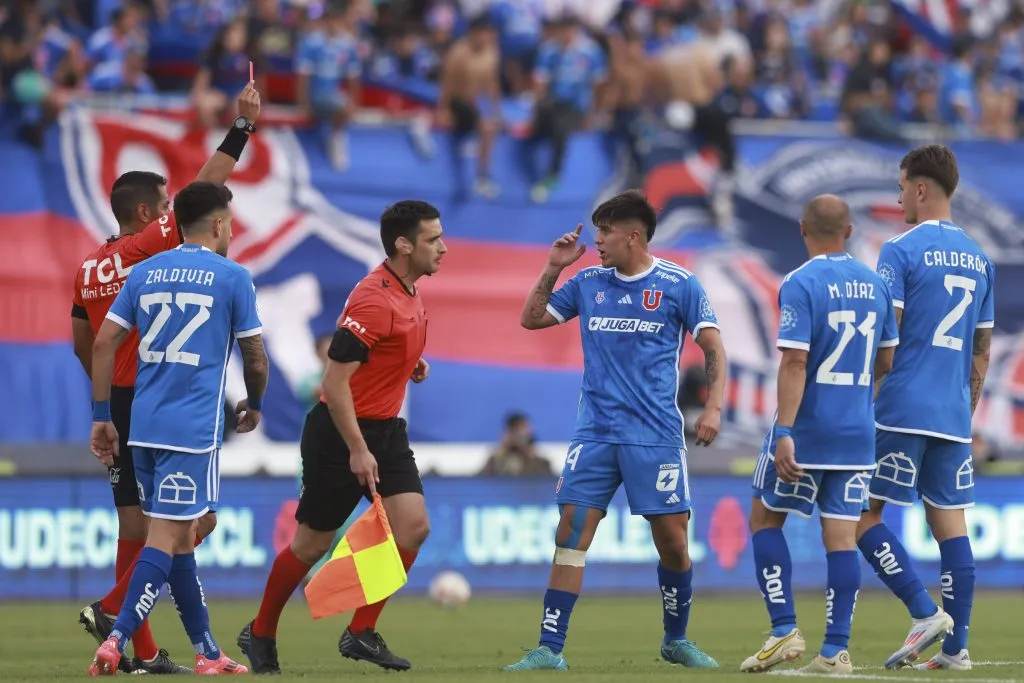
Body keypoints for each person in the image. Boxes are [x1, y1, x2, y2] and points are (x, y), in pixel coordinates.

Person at [72, 83, 261, 674]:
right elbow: (205, 189)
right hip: (164, 396)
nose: (167, 212)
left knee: (146, 525)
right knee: (181, 526)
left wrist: (103, 403)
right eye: (162, 206)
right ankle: (114, 617)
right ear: (149, 215)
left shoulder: (88, 266)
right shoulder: (145, 248)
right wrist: (242, 129)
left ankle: (154, 650)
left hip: (123, 400)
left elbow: (85, 341)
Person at [506, 190, 727, 671]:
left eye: (606, 232)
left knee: (672, 541)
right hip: (596, 434)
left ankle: (676, 639)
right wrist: (553, 267)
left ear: (633, 235)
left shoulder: (679, 283)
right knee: (572, 532)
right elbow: (531, 319)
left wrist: (713, 407)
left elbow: (713, 346)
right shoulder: (587, 282)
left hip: (655, 437)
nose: (598, 240)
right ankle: (549, 648)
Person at [237, 200, 447, 674]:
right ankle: (261, 631)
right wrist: (357, 449)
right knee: (310, 545)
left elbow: (381, 351)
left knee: (414, 528)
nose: (443, 247)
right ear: (403, 244)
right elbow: (334, 383)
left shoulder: (407, 289)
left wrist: (405, 364)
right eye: (433, 239)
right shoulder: (375, 299)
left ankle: (360, 633)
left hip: (386, 430)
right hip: (340, 433)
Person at [741, 195, 899, 675]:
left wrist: (785, 430)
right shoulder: (876, 284)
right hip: (856, 433)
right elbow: (887, 362)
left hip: (807, 429)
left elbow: (794, 361)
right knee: (842, 538)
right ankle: (835, 650)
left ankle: (784, 628)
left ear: (802, 227)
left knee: (765, 521)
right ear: (849, 231)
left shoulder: (800, 282)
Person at [856, 145, 995, 671]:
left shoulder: (899, 250)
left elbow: (883, 342)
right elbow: (981, 349)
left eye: (900, 186)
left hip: (900, 407)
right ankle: (957, 649)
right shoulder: (980, 257)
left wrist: (856, 397)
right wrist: (967, 406)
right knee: (951, 528)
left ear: (919, 188)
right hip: (953, 414)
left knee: (858, 517)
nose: (897, 196)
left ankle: (922, 611)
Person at [435, 15, 501, 199]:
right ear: (474, 33)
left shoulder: (492, 51)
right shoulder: (458, 52)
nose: (487, 38)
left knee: (491, 124)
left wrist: (496, 110)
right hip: (459, 102)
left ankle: (482, 172)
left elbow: (491, 82)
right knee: (486, 127)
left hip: (478, 103)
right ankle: (482, 176)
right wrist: (443, 109)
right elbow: (446, 83)